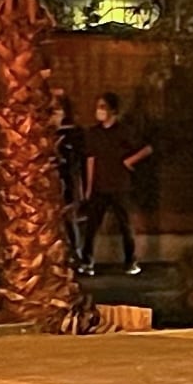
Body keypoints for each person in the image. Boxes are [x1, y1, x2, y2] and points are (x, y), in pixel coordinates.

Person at [80, 93, 153, 275]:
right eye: (98, 107)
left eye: (103, 107)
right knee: (91, 226)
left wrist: (129, 161)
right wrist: (88, 187)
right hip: (99, 186)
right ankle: (87, 262)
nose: (99, 111)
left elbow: (147, 148)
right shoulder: (94, 133)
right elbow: (91, 160)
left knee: (125, 226)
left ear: (113, 110)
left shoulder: (124, 131)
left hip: (120, 186)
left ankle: (130, 262)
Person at [52, 93, 92, 273]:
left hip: (69, 183)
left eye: (58, 110)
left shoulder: (73, 134)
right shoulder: (46, 134)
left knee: (70, 219)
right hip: (49, 185)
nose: (55, 115)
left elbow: (81, 162)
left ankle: (76, 254)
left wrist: (83, 189)